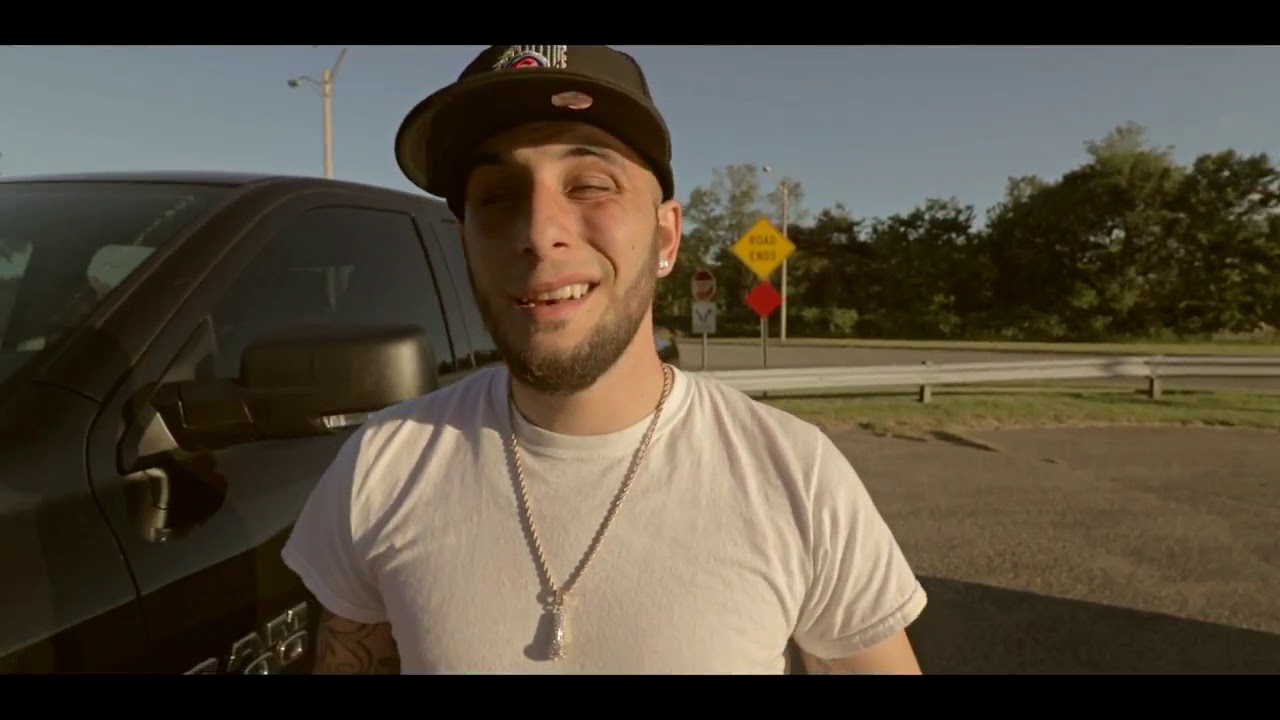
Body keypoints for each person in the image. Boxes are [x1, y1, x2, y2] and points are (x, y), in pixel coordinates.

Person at [280, 44, 928, 675]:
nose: (539, 232)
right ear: (465, 242)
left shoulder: (795, 477)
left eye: (590, 185)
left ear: (666, 236)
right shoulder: (381, 467)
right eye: (498, 196)